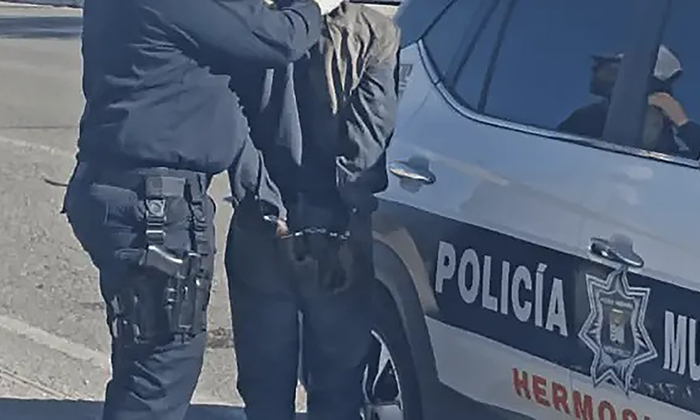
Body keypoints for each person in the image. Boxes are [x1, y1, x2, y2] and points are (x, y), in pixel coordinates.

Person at [60, 0, 337, 419]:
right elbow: (279, 39)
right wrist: (314, 5)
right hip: (155, 206)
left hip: (123, 190)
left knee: (146, 357)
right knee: (160, 370)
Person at [225, 1, 400, 419]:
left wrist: (265, 204)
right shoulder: (374, 33)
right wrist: (348, 215)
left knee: (265, 390)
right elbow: (367, 147)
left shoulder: (248, 24)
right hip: (336, 229)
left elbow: (231, 128)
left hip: (262, 225)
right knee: (337, 390)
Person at [559, 45, 700, 158]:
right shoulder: (589, 118)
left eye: (617, 70)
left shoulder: (668, 138)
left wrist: (683, 123)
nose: (596, 70)